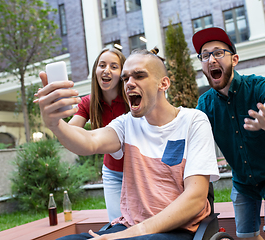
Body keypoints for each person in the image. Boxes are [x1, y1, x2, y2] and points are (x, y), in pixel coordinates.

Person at [35, 48, 220, 240]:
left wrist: (132, 234)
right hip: (132, 226)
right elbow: (89, 142)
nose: (129, 84)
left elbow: (196, 199)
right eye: (125, 78)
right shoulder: (126, 123)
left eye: (139, 76)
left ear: (163, 84)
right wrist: (54, 124)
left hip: (180, 229)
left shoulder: (194, 121)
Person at [192, 27, 265, 240]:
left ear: (235, 59)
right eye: (205, 55)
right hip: (243, 181)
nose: (211, 59)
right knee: (247, 237)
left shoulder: (260, 86)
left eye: (218, 53)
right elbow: (192, 144)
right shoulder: (204, 104)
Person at [68, 48, 129, 221]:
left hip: (138, 168)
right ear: (95, 71)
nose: (106, 70)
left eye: (114, 66)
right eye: (102, 65)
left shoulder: (131, 99)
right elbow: (71, 130)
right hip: (112, 172)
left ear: (122, 73)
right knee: (117, 222)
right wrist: (55, 120)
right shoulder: (88, 102)